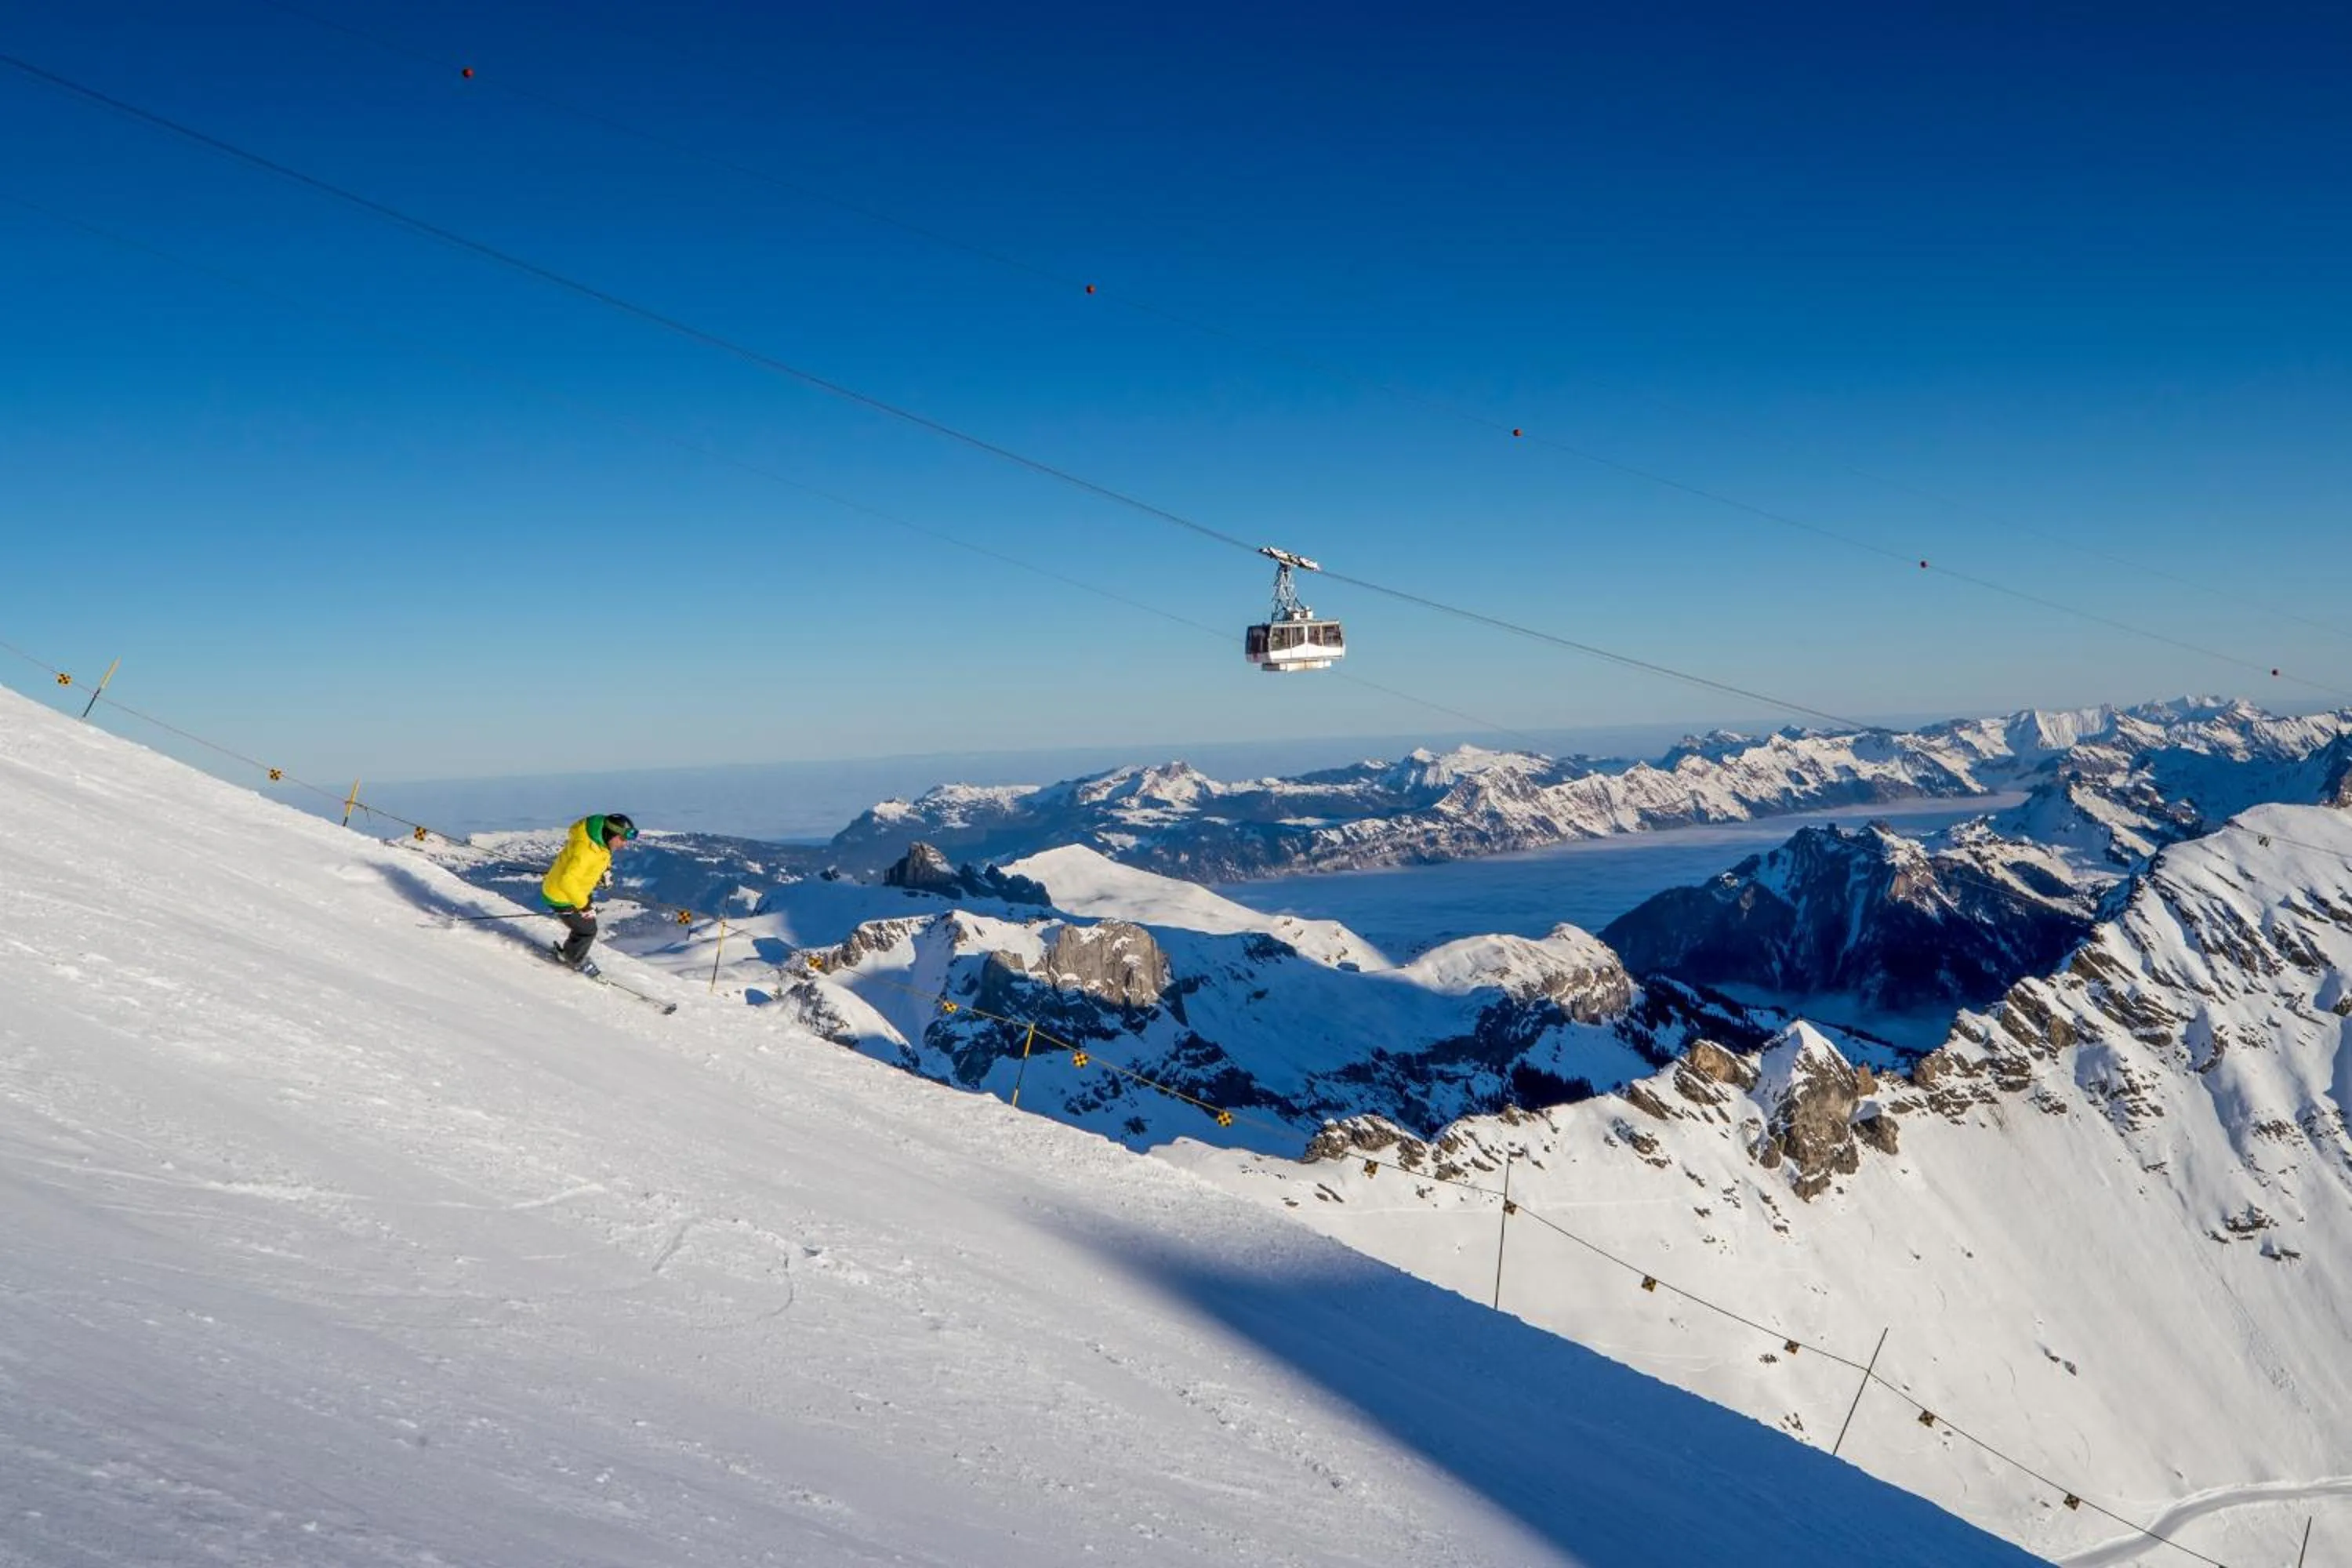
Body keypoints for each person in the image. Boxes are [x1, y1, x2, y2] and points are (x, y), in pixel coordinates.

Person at [541, 812, 638, 975]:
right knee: (587, 930)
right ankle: (573, 959)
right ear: (611, 834)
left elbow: (601, 857)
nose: (624, 844)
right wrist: (584, 906)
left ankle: (571, 952)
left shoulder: (600, 842)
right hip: (561, 896)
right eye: (622, 839)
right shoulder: (586, 851)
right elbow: (567, 881)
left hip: (576, 891)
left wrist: (604, 872)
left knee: (587, 925)